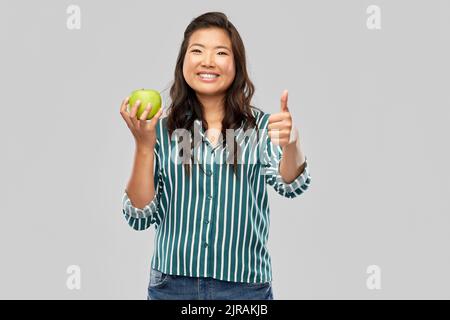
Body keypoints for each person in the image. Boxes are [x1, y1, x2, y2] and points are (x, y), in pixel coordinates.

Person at [119, 11, 311, 300]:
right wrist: (144, 145)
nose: (207, 61)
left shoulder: (259, 127)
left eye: (221, 52)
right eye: (197, 51)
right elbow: (139, 215)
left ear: (236, 65)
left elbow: (289, 183)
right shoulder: (161, 128)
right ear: (183, 62)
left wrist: (292, 143)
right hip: (172, 286)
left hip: (245, 289)